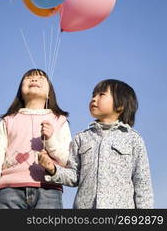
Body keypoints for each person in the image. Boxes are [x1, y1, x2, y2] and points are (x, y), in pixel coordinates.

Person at [38, 79, 154, 209]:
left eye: (101, 95)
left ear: (120, 105)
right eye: (93, 95)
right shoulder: (81, 138)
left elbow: (142, 183)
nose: (94, 99)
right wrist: (52, 169)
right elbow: (74, 176)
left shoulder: (133, 139)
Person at [0, 68, 71, 209]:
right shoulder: (8, 121)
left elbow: (68, 160)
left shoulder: (59, 120)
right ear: (20, 93)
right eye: (28, 78)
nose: (34, 79)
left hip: (49, 191)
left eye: (41, 78)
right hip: (10, 191)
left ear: (49, 94)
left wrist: (50, 140)